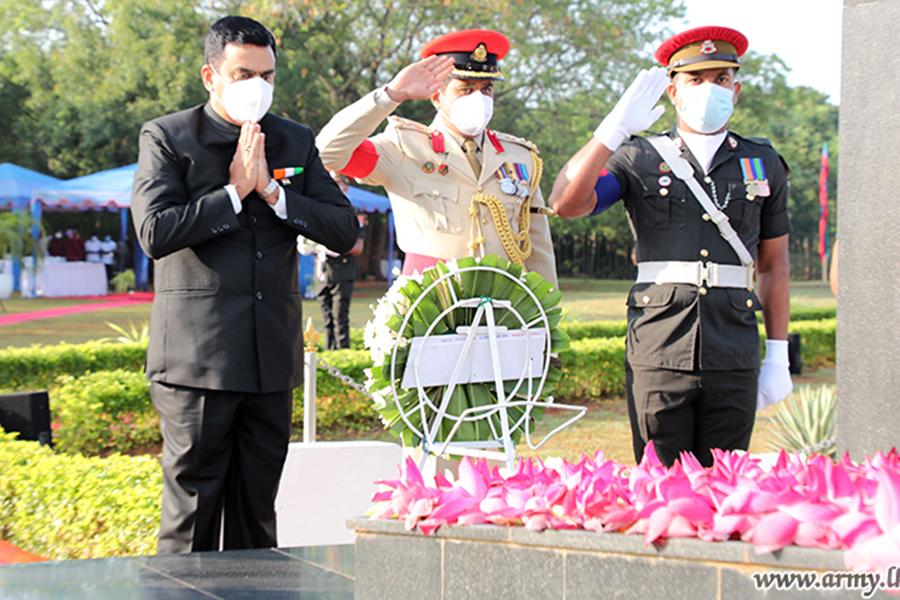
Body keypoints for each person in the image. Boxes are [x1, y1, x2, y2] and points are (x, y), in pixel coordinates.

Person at [131, 15, 358, 554]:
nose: (257, 85)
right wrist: (234, 193)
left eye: (267, 74)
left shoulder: (294, 139)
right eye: (242, 73)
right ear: (211, 76)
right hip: (198, 359)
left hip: (269, 358)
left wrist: (277, 197)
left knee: (258, 516)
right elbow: (154, 231)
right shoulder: (169, 137)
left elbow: (344, 228)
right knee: (193, 520)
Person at [548, 26, 793, 467]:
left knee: (725, 485)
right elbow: (565, 204)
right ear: (673, 93)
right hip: (659, 344)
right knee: (661, 483)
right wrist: (613, 129)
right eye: (695, 81)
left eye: (720, 80)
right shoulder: (638, 156)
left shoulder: (764, 162)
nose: (709, 90)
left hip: (733, 347)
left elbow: (773, 265)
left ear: (736, 90)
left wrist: (777, 354)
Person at [316, 29, 557, 284]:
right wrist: (391, 94)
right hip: (429, 308)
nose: (479, 98)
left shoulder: (520, 158)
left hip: (503, 310)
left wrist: (544, 314)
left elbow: (537, 246)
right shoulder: (405, 148)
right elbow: (328, 152)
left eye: (486, 89)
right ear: (436, 97)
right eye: (466, 89)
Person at [314, 174, 365, 350]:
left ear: (346, 187)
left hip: (342, 269)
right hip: (322, 270)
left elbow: (358, 247)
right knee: (326, 318)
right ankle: (329, 352)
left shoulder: (354, 211)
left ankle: (342, 353)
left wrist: (333, 246)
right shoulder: (319, 208)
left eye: (338, 183)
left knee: (340, 317)